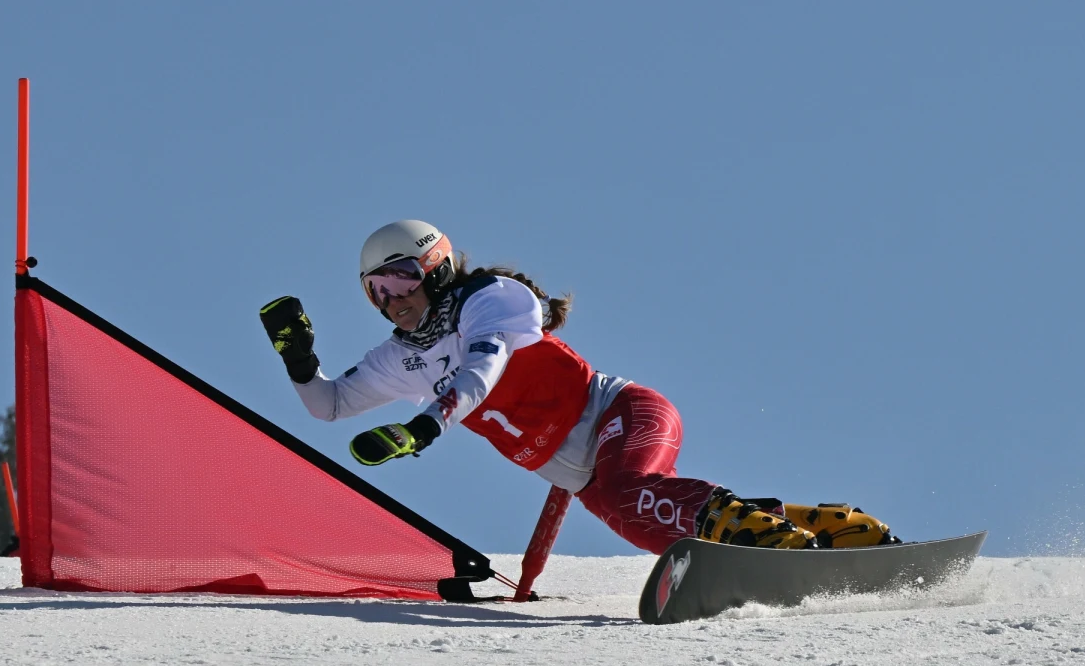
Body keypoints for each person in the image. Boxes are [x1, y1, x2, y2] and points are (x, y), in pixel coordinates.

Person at [260, 220, 898, 556]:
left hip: (622, 413)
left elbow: (481, 370)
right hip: (587, 477)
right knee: (637, 511)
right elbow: (330, 405)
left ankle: (781, 549)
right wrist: (299, 355)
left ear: (438, 267)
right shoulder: (404, 356)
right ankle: (837, 530)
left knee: (628, 497)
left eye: (399, 280)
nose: (389, 301)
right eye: (375, 290)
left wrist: (423, 427)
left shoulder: (491, 300)